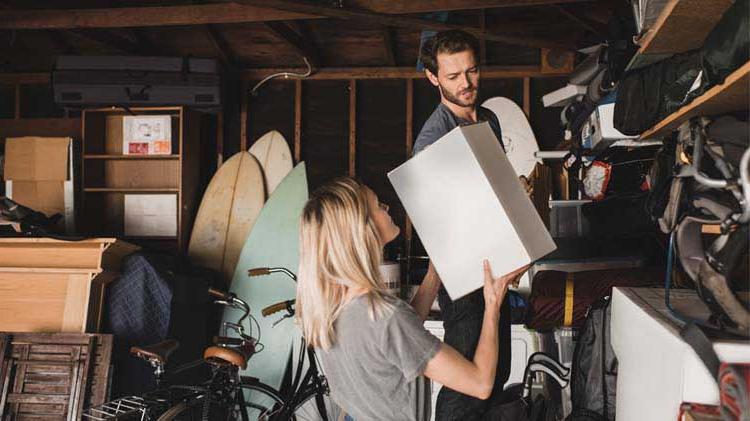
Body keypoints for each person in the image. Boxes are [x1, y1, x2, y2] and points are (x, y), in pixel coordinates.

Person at [296, 178, 527, 421]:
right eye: (378, 206)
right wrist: (493, 303)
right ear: (363, 230)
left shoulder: (332, 308)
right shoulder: (386, 317)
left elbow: (398, 342)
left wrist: (433, 276)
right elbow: (480, 383)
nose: (386, 208)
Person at [413, 29, 512, 420]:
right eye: (453, 77)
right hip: (464, 277)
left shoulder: (487, 118)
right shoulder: (433, 141)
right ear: (432, 78)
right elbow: (434, 223)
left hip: (495, 261)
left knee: (497, 372)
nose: (466, 84)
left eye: (471, 72)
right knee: (467, 387)